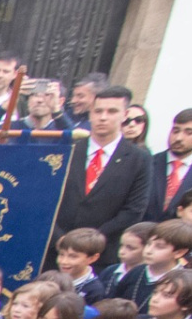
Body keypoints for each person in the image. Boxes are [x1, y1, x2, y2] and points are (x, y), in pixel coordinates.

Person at [52, 85, 152, 263]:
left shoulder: (139, 159)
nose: (103, 117)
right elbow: (47, 199)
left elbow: (134, 210)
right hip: (57, 250)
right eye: (98, 111)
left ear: (125, 115)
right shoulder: (67, 151)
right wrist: (60, 238)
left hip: (101, 254)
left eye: (112, 111)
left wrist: (92, 241)